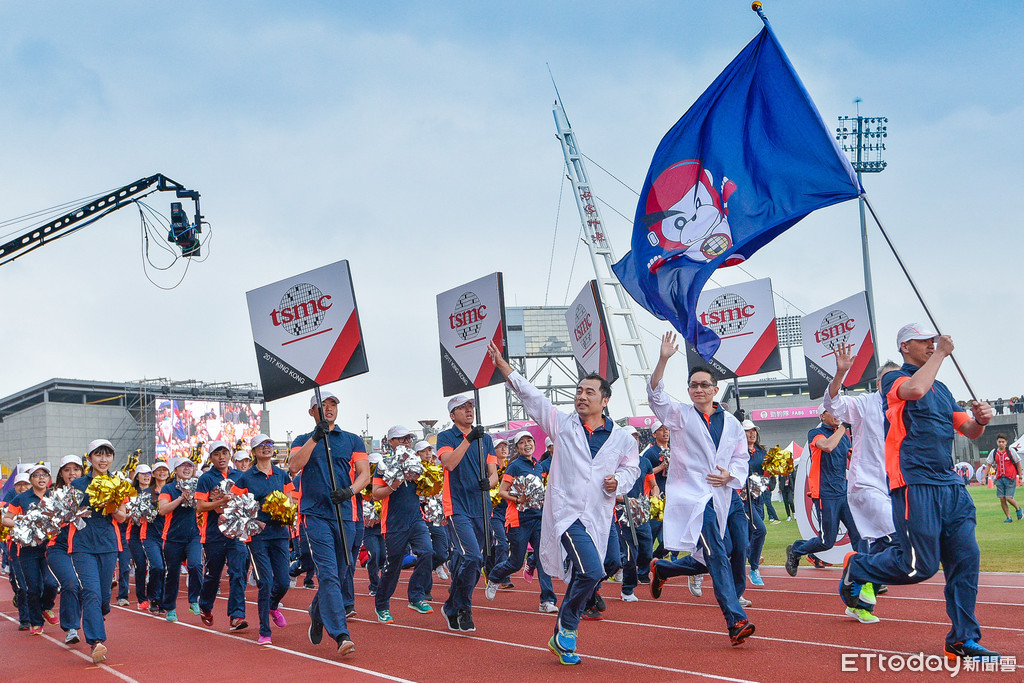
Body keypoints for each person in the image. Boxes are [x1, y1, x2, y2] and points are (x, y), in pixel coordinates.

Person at [839, 324, 999, 660]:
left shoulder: (941, 388)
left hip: (950, 485)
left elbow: (968, 430)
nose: (932, 344)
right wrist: (941, 353)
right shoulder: (893, 379)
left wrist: (982, 420)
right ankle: (860, 566)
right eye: (926, 340)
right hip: (914, 483)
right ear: (905, 346)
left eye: (934, 340)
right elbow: (912, 390)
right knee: (918, 567)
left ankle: (961, 638)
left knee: (966, 562)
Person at [487, 341, 639, 666]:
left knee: (608, 565)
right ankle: (566, 630)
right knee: (592, 570)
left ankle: (570, 609)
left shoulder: (622, 438)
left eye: (589, 392)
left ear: (605, 400)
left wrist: (620, 481)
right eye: (579, 390)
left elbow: (631, 468)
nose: (581, 396)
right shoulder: (562, 424)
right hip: (567, 514)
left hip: (600, 516)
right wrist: (503, 367)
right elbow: (533, 398)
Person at [646, 332, 755, 646]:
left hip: (722, 494)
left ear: (715, 389)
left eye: (704, 385)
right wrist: (664, 358)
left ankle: (663, 568)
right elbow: (656, 395)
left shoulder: (732, 424)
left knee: (725, 552)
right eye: (693, 385)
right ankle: (736, 619)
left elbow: (740, 458)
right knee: (718, 553)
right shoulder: (679, 415)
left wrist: (731, 476)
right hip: (691, 496)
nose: (698, 389)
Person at [288, 390, 370, 657]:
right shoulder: (303, 439)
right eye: (322, 405)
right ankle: (341, 634)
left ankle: (316, 611)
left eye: (333, 404)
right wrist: (316, 437)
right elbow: (294, 466)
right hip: (315, 514)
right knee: (328, 573)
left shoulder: (352, 439)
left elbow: (364, 474)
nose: (329, 409)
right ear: (312, 412)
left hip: (345, 514)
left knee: (343, 571)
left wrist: (349, 492)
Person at [824, 343, 900, 624]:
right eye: (887, 379)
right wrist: (840, 373)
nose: (893, 384)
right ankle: (857, 568)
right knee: (896, 533)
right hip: (866, 485)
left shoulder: (906, 408)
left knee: (882, 546)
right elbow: (834, 404)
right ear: (879, 382)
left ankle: (859, 600)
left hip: (895, 486)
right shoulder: (865, 404)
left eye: (898, 378)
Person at [436, 394, 498, 633]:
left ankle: (453, 604)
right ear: (452, 415)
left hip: (481, 506)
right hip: (457, 506)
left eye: (470, 406)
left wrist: (489, 483)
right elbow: (449, 463)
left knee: (472, 560)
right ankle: (464, 608)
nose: (468, 410)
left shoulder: (487, 439)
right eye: (462, 408)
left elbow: (493, 473)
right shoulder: (446, 436)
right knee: (472, 557)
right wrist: (468, 439)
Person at [485, 431, 558, 613]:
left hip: (537, 519)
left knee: (544, 558)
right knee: (515, 563)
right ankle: (494, 576)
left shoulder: (538, 466)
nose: (527, 445)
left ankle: (547, 600)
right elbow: (502, 492)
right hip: (518, 520)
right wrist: (519, 500)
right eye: (522, 442)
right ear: (517, 447)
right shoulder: (514, 466)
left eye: (530, 441)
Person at [71, 440, 130, 664]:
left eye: (107, 455)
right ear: (90, 458)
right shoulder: (77, 484)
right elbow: (68, 513)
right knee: (91, 593)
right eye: (98, 455)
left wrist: (109, 503)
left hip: (108, 545)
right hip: (82, 546)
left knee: (104, 597)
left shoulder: (117, 483)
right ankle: (96, 641)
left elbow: (122, 517)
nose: (103, 459)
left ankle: (99, 613)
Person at [232, 433, 293, 645]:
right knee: (265, 582)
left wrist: (285, 510)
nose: (266, 448)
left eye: (269, 444)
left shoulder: (281, 475)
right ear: (254, 451)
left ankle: (273, 606)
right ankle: (264, 631)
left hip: (280, 534)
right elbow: (235, 507)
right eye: (261, 445)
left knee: (284, 581)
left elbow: (291, 499)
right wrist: (253, 520)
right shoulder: (245, 478)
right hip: (257, 537)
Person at [785, 405, 861, 575]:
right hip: (825, 494)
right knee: (827, 541)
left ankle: (862, 572)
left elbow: (854, 458)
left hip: (843, 493)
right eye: (831, 412)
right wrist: (843, 427)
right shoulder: (815, 433)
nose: (836, 415)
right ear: (822, 416)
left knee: (858, 533)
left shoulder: (843, 436)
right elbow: (827, 446)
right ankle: (796, 550)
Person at [371, 426, 435, 624]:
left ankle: (416, 596)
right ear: (390, 442)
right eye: (400, 439)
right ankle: (382, 606)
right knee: (393, 566)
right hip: (393, 523)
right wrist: (393, 485)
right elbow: (375, 494)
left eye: (408, 439)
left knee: (427, 552)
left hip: (416, 519)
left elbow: (430, 487)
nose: (405, 442)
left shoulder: (417, 463)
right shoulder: (383, 464)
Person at [195, 440, 248, 630]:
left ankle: (237, 616)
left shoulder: (240, 475)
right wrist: (222, 502)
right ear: (210, 458)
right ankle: (205, 604)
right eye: (217, 454)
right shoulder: (206, 479)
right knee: (213, 575)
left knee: (238, 572)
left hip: (236, 533)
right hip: (214, 535)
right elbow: (200, 506)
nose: (222, 457)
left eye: (225, 453)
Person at [2, 464, 59, 635]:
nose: (41, 478)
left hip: (51, 547)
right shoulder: (21, 498)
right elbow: (6, 520)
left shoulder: (54, 496)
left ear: (49, 479)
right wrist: (23, 521)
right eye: (37, 475)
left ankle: (46, 607)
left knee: (52, 583)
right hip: (28, 549)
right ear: (31, 479)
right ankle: (36, 621)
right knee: (32, 587)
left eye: (45, 475)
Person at [614, 429, 659, 602]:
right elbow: (606, 489)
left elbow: (653, 484)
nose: (634, 441)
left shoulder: (645, 462)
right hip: (621, 512)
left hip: (641, 511)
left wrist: (655, 495)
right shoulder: (615, 463)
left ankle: (639, 573)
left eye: (636, 438)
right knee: (630, 552)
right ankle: (627, 589)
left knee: (647, 550)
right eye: (629, 439)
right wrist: (623, 499)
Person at [158, 456, 203, 622]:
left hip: (193, 535)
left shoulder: (197, 487)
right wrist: (180, 499)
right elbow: (162, 510)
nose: (186, 469)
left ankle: (193, 600)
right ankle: (170, 607)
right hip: (172, 538)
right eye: (182, 466)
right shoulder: (168, 489)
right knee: (173, 574)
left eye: (189, 466)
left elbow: (203, 506)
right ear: (175, 470)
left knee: (196, 565)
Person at [47, 455, 85, 643]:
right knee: (70, 583)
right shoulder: (52, 495)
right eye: (67, 470)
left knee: (85, 588)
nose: (72, 473)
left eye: (76, 469)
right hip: (59, 547)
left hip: (83, 548)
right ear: (61, 473)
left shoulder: (91, 491)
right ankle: (71, 628)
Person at [4, 471, 32, 630]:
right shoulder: (10, 504)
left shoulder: (39, 501)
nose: (23, 487)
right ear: (14, 487)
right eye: (19, 485)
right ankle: (25, 618)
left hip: (34, 547)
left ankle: (34, 611)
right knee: (19, 582)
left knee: (35, 583)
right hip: (15, 546)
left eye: (25, 484)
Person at [142, 461, 170, 615]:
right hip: (150, 536)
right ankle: (153, 597)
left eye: (164, 470)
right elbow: (139, 515)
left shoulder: (173, 491)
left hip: (168, 535)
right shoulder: (146, 493)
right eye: (158, 470)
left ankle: (162, 599)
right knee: (157, 566)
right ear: (153, 474)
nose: (161, 472)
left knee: (166, 569)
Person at [742, 420, 767, 589]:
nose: (752, 434)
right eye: (747, 431)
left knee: (749, 535)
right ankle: (754, 568)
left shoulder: (761, 452)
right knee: (760, 530)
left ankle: (748, 557)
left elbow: (766, 474)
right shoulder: (737, 452)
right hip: (742, 499)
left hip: (758, 496)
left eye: (754, 431)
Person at [126, 465, 153, 611]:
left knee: (157, 566)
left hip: (152, 534)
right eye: (142, 474)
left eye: (148, 473)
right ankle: (142, 598)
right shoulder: (131, 493)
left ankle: (155, 595)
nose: (146, 476)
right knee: (141, 566)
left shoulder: (155, 492)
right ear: (137, 476)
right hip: (135, 534)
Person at [485, 437, 512, 583]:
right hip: (494, 512)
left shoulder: (512, 467)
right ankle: (502, 576)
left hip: (509, 511)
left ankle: (489, 568)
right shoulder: (489, 468)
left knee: (503, 544)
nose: (503, 449)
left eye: (505, 446)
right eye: (499, 447)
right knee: (501, 543)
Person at [985, 434, 1022, 522]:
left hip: (1010, 477)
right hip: (999, 478)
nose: (1001, 443)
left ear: (1006, 442)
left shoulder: (1010, 451)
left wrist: (1020, 476)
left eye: (1003, 442)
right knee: (1002, 499)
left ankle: (1018, 509)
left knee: (1008, 498)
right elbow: (988, 465)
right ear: (997, 442)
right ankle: (1008, 517)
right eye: (999, 442)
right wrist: (984, 477)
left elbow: (1018, 463)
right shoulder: (994, 452)